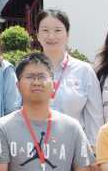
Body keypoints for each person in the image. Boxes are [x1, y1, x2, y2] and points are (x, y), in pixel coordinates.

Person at [0, 53, 95, 171]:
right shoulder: (2, 127)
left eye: (42, 76)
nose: (36, 82)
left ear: (53, 85)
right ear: (18, 85)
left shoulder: (71, 127)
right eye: (29, 77)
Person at [34, 9, 103, 148]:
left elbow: (95, 117)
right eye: (45, 30)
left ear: (67, 34)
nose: (51, 36)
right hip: (33, 148)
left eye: (58, 30)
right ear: (37, 35)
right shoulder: (28, 71)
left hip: (73, 149)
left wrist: (93, 150)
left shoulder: (84, 71)